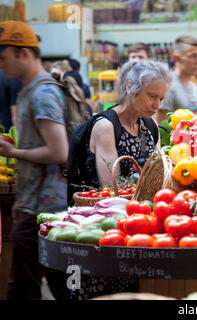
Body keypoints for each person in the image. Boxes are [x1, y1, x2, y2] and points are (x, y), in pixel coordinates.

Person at [74, 60, 170, 299]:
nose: (157, 105)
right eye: (151, 96)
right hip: (104, 234)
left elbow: (159, 176)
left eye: (161, 98)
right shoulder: (106, 126)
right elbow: (112, 189)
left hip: (136, 230)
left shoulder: (151, 128)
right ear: (130, 87)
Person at [0, 20, 70, 300]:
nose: (1, 65)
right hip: (38, 205)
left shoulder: (43, 93)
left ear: (24, 53)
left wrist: (12, 152)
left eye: (3, 58)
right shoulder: (29, 90)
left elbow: (58, 152)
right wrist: (22, 199)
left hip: (46, 209)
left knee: (22, 289)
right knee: (59, 286)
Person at [155, 35, 197, 123]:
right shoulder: (167, 87)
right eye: (193, 56)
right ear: (177, 58)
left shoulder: (195, 89)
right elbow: (161, 128)